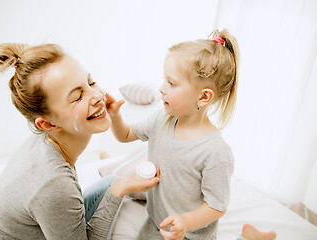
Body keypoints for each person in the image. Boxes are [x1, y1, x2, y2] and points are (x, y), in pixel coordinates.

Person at [106, 29, 276, 240]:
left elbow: (217, 206)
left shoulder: (216, 153)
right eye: (163, 79)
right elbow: (126, 135)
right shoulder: (161, 120)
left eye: (172, 83)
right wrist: (115, 117)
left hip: (192, 234)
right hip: (156, 222)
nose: (161, 88)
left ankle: (251, 237)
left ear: (204, 97)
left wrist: (186, 222)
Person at [0, 43, 160, 240]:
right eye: (77, 97)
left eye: (91, 83)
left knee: (112, 181)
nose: (97, 96)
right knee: (116, 187)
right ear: (48, 125)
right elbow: (58, 193)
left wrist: (112, 116)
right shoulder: (53, 184)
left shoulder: (48, 142)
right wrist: (118, 192)